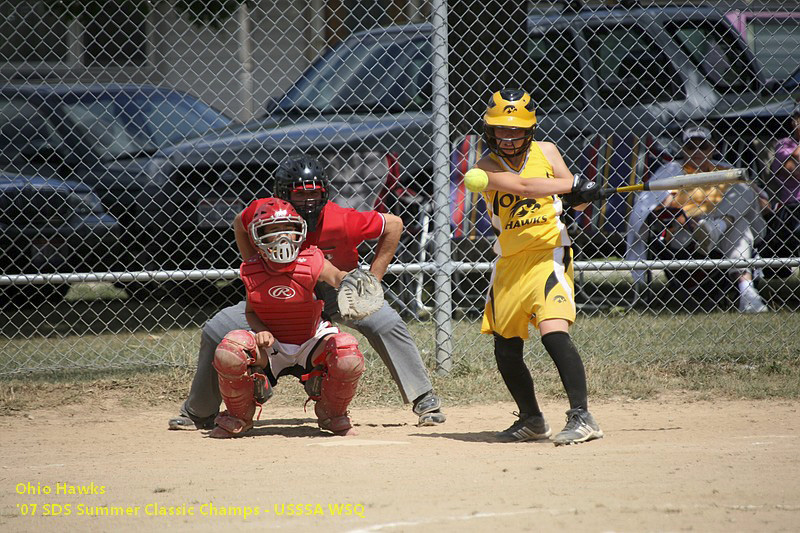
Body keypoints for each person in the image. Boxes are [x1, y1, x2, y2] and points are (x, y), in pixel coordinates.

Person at [169, 155, 445, 431]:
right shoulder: (268, 213)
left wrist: (374, 277)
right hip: (280, 291)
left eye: (315, 195)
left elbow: (394, 224)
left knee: (385, 322)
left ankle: (424, 398)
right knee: (218, 329)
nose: (308, 203)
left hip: (333, 288)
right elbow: (241, 222)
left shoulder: (340, 219)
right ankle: (199, 411)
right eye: (299, 196)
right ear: (281, 194)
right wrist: (256, 268)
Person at [465, 88, 604, 445]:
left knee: (553, 331)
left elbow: (570, 201)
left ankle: (582, 416)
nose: (507, 138)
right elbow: (527, 186)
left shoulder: (548, 152)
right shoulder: (485, 168)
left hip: (549, 253)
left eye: (515, 130)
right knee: (506, 346)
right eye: (500, 130)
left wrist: (583, 197)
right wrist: (574, 184)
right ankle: (531, 420)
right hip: (509, 262)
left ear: (530, 130)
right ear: (489, 131)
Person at [210, 198, 364, 438]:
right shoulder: (253, 269)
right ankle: (239, 415)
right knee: (230, 350)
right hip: (273, 347)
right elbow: (251, 312)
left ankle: (332, 413)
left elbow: (335, 276)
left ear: (299, 233)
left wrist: (350, 282)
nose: (282, 238)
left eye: (287, 230)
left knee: (346, 351)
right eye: (271, 231)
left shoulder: (312, 260)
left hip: (311, 341)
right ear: (257, 236)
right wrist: (261, 329)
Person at [626, 125, 769, 313]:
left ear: (713, 148)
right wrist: (690, 217)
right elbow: (654, 208)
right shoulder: (672, 172)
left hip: (720, 234)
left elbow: (764, 205)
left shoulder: (726, 170)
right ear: (683, 149)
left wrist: (750, 189)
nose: (698, 152)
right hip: (686, 234)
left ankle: (718, 229)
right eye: (691, 147)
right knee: (739, 224)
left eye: (703, 146)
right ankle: (747, 291)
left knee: (743, 196)